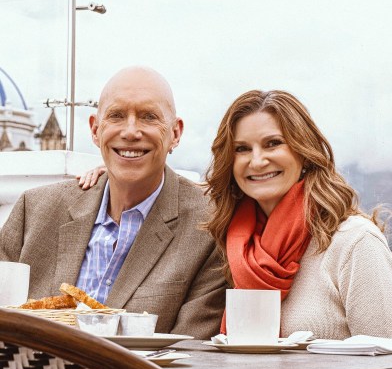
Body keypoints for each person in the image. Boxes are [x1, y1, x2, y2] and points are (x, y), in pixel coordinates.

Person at [0, 66, 226, 339]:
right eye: (116, 116)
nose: (130, 131)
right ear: (95, 130)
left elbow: (191, 355)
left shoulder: (210, 227)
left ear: (175, 134)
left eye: (148, 117)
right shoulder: (35, 211)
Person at [204, 89, 392, 340]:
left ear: (304, 152)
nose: (257, 160)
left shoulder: (355, 242)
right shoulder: (238, 249)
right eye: (242, 149)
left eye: (272, 143)